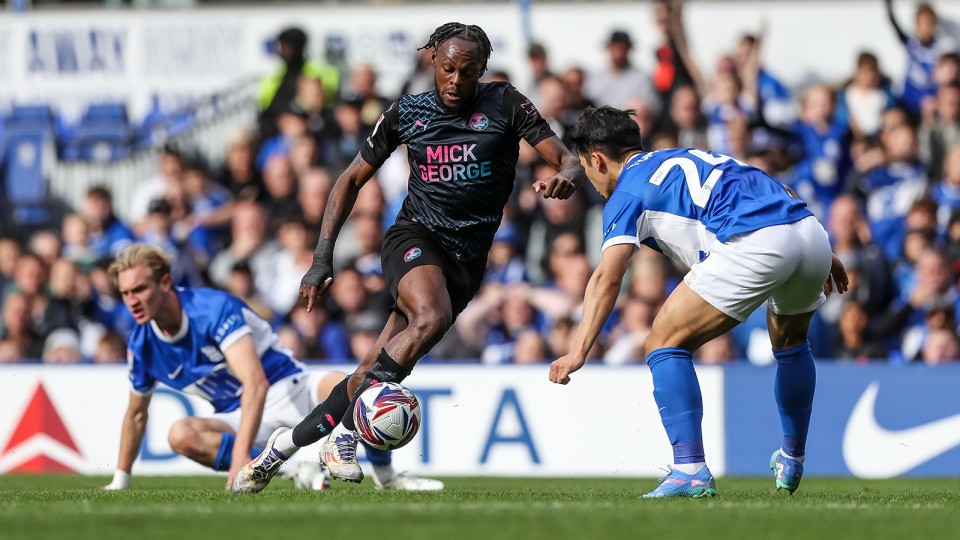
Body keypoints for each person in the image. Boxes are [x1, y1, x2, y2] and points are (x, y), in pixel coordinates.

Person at [232, 22, 585, 493]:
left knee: (367, 373)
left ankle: (278, 451)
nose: (456, 80)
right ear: (432, 62)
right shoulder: (408, 112)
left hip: (466, 262)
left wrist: (566, 175)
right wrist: (322, 256)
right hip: (414, 238)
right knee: (432, 315)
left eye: (467, 71)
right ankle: (346, 438)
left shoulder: (504, 102)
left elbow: (568, 158)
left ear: (482, 69)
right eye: (447, 69)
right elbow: (351, 179)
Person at [547, 106, 848, 498]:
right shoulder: (688, 153)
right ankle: (792, 458)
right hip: (807, 229)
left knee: (663, 343)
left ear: (596, 160)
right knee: (791, 345)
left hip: (755, 241)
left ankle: (689, 468)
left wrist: (578, 350)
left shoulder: (626, 192)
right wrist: (819, 250)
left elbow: (607, 277)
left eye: (587, 169)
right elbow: (768, 184)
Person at [102, 244, 441, 492]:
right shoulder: (141, 345)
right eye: (126, 292)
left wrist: (239, 460)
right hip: (238, 415)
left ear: (164, 283)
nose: (132, 300)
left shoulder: (209, 308)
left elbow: (256, 383)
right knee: (180, 434)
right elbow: (135, 415)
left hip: (289, 386)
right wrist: (120, 480)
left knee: (357, 386)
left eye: (140, 288)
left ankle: (388, 479)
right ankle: (297, 469)